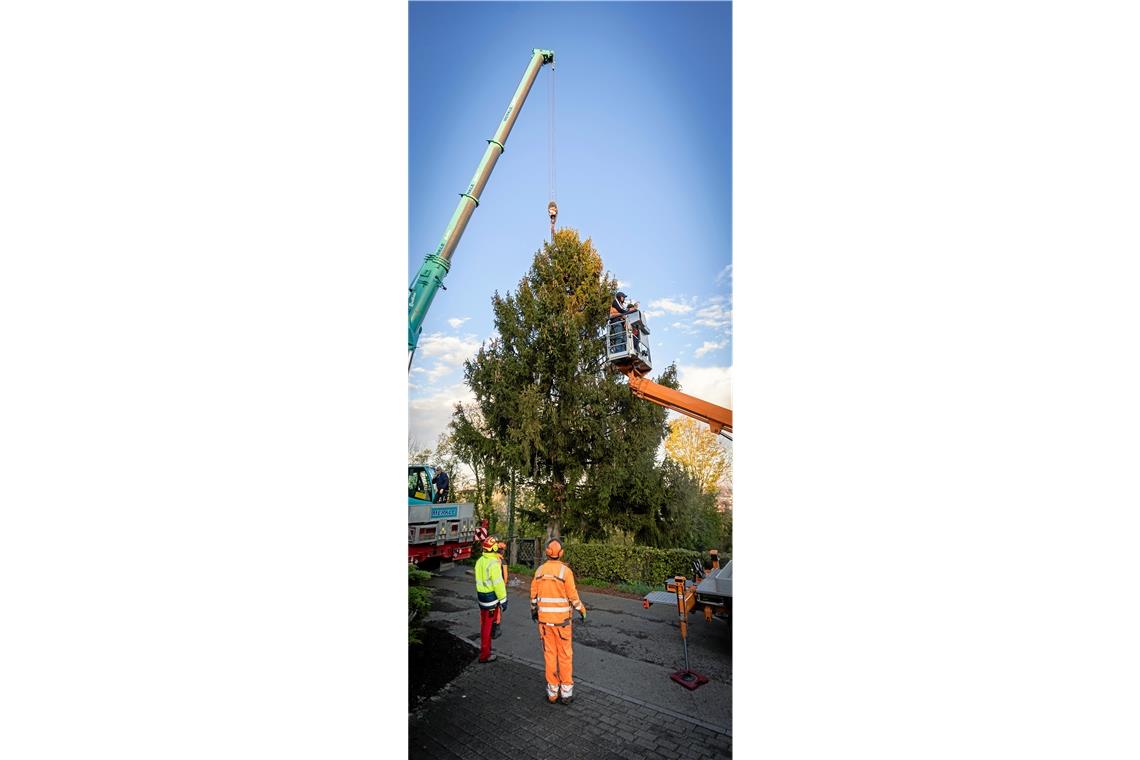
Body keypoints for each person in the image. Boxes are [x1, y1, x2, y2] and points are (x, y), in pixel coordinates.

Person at [529, 538, 586, 704]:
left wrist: (533, 610)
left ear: (547, 553)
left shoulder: (539, 571)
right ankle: (566, 693)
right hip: (562, 623)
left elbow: (533, 595)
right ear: (561, 553)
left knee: (550, 655)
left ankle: (552, 692)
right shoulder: (565, 572)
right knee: (565, 656)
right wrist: (582, 610)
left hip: (545, 623)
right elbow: (573, 596)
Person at [474, 535, 507, 663]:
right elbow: (498, 584)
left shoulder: (480, 561)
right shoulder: (493, 563)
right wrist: (503, 600)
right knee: (488, 627)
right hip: (491, 601)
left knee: (484, 625)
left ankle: (486, 650)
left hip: (481, 598)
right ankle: (485, 655)